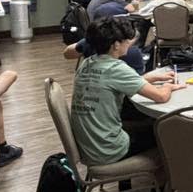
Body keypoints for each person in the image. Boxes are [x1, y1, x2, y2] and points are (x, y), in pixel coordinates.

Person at [69, 18, 184, 175]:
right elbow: (161, 97)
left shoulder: (87, 63)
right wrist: (169, 86)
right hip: (109, 150)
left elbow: (116, 82)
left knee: (143, 127)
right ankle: (162, 190)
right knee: (167, 131)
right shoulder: (117, 68)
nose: (130, 43)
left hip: (90, 146)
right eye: (127, 41)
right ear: (116, 45)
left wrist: (153, 78)